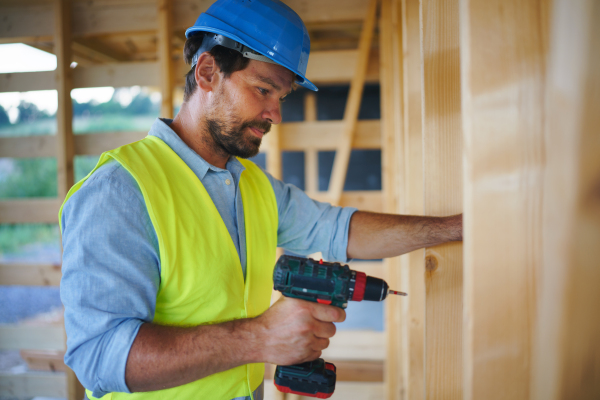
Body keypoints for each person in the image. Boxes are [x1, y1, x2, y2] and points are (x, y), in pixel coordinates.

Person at [59, 0, 462, 399]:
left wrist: (453, 228)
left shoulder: (253, 185)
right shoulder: (120, 190)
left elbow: (342, 229)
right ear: (207, 73)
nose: (275, 114)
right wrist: (260, 338)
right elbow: (98, 357)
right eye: (263, 89)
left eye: (280, 97)